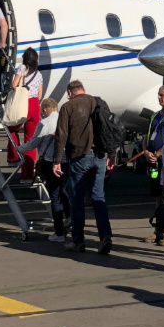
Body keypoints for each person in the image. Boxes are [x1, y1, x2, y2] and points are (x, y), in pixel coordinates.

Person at [52, 80, 113, 255]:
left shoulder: (68, 106)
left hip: (79, 157)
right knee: (98, 198)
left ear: (70, 92)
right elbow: (110, 130)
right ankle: (105, 237)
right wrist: (113, 155)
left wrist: (56, 160)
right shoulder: (99, 103)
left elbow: (61, 135)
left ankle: (78, 242)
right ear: (83, 90)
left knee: (77, 200)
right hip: (100, 157)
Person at [18, 97, 69, 242]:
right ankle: (70, 215)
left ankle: (59, 233)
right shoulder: (65, 120)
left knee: (54, 196)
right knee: (64, 191)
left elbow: (34, 142)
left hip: (51, 162)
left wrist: (19, 148)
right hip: (67, 162)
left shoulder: (44, 123)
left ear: (45, 110)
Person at [143, 84, 164, 245]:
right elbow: (146, 136)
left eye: (161, 95)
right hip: (154, 163)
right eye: (158, 94)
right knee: (158, 196)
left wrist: (158, 154)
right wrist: (145, 151)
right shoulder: (155, 115)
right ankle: (159, 231)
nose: (158, 97)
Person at [7, 47, 44, 181]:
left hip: (23, 103)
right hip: (35, 105)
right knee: (31, 141)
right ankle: (28, 176)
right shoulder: (39, 74)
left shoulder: (22, 68)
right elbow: (40, 95)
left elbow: (14, 85)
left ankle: (14, 157)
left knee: (11, 129)